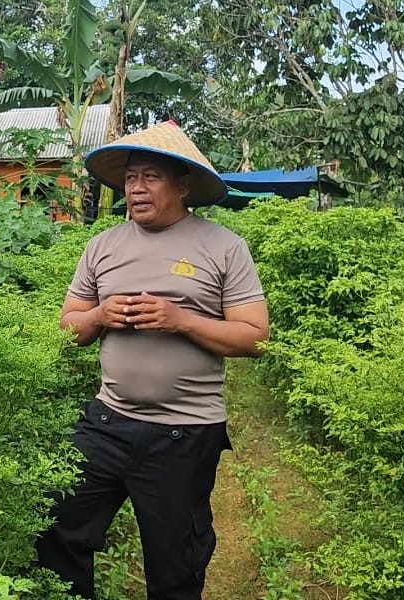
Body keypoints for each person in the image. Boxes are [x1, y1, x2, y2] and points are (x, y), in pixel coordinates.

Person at [36, 121, 270, 599]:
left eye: (151, 177)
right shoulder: (102, 245)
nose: (136, 188)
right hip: (107, 421)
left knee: (175, 563)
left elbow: (254, 337)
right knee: (57, 525)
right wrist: (99, 314)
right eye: (130, 178)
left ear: (183, 185)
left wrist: (178, 319)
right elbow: (68, 326)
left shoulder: (223, 246)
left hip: (184, 434)